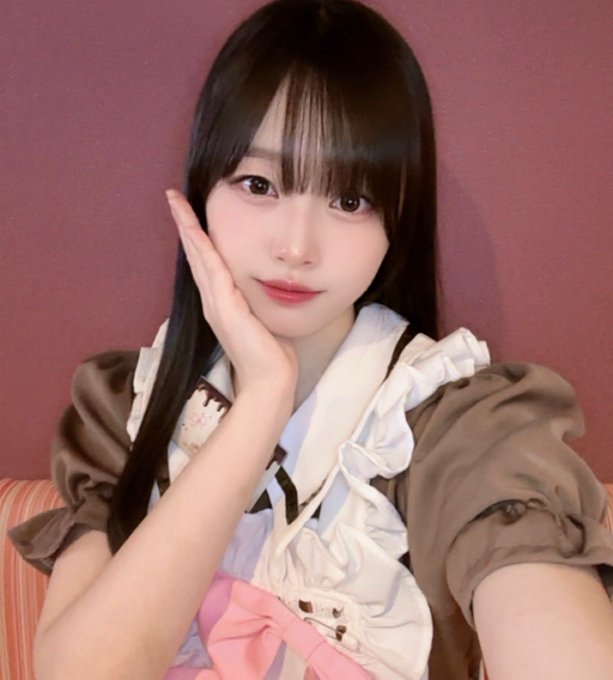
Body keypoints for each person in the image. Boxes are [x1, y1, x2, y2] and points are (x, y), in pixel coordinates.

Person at [9, 0, 613, 678]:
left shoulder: (453, 425)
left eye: (349, 200)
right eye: (259, 184)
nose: (296, 247)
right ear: (203, 188)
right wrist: (264, 396)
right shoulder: (126, 410)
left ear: (398, 218)